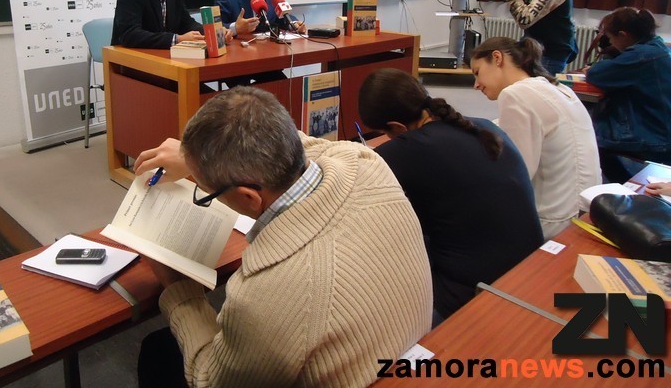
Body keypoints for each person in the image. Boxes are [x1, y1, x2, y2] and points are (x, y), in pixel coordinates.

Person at [133, 86, 432, 388]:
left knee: (157, 351)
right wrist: (192, 156)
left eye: (207, 192)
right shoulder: (365, 161)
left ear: (249, 198)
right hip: (407, 349)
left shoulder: (265, 298)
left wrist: (179, 289)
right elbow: (303, 144)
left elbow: (211, 380)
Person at [358, 68, 543, 323]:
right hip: (532, 270)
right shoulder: (484, 126)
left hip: (474, 295)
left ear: (396, 127)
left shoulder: (404, 152)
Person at [470, 36, 601, 239]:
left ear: (497, 58)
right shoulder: (557, 88)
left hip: (553, 220)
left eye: (477, 73)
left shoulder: (515, 94)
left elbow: (516, 174)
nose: (476, 85)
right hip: (586, 208)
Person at [584, 7, 671, 182]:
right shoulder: (657, 46)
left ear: (623, 35)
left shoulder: (640, 56)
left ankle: (623, 184)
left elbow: (597, 73)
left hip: (651, 135)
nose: (611, 43)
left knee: (588, 138)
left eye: (610, 38)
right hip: (661, 128)